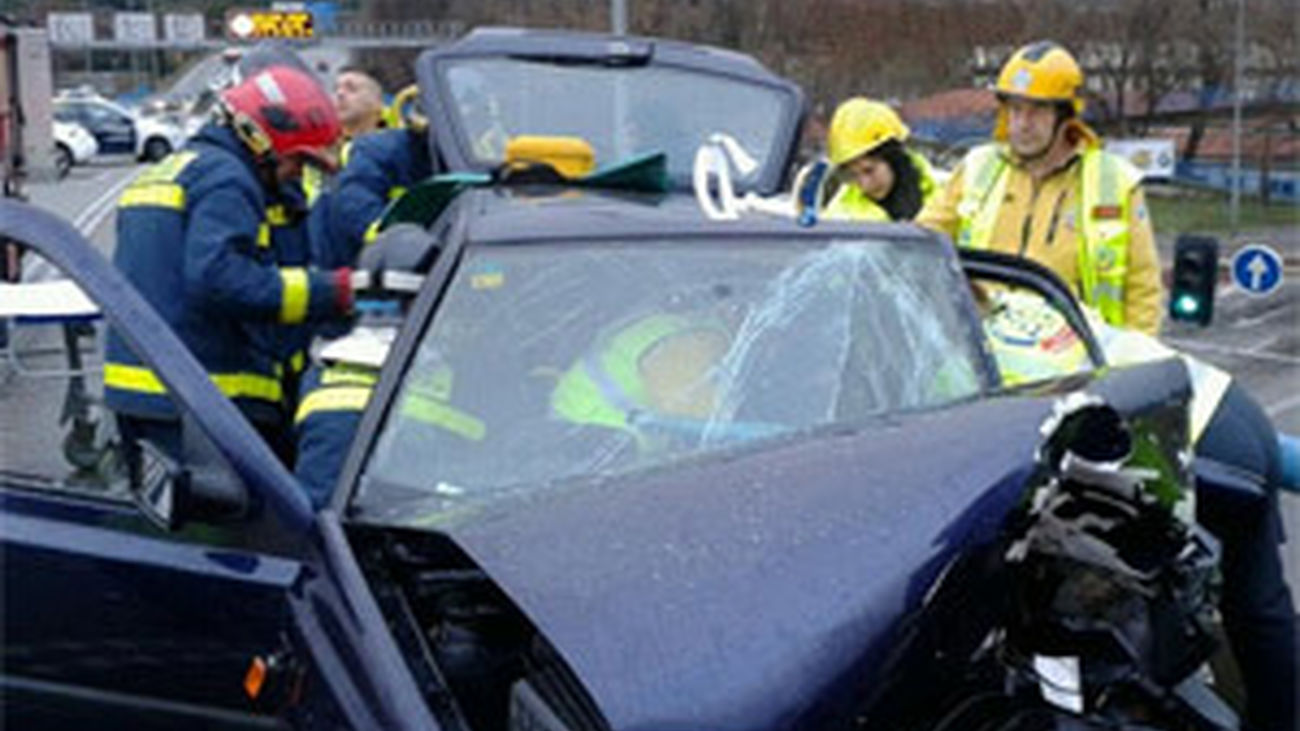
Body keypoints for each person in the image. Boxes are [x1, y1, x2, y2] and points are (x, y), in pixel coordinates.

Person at [980, 289, 1296, 731]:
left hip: (1187, 442)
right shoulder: (1014, 300)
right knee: (1259, 603)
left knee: (1140, 608)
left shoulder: (954, 361)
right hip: (1222, 405)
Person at [104, 66, 356, 465]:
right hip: (207, 399)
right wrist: (334, 290)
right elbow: (219, 279)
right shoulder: (228, 179)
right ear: (259, 140)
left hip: (142, 392)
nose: (296, 174)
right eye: (295, 161)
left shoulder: (175, 170)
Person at [918, 41, 1162, 335]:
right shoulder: (976, 167)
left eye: (1037, 111)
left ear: (1065, 116)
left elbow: (1142, 292)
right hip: (984, 356)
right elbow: (922, 244)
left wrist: (1134, 368)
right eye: (1015, 110)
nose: (1022, 123)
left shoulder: (1115, 182)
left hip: (1077, 364)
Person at [822, 97, 937, 222]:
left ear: (894, 160)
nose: (864, 185)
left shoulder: (948, 197)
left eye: (869, 170)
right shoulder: (840, 218)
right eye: (853, 175)